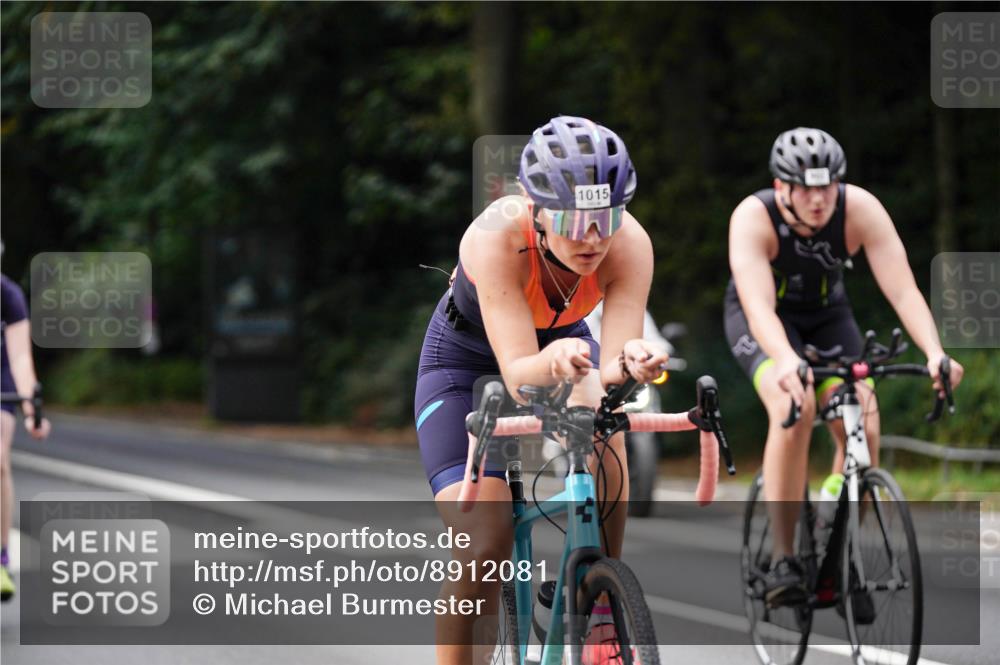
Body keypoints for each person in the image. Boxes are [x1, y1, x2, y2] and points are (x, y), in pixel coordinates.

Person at [414, 116, 667, 665]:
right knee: (485, 547)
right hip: (467, 363)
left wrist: (634, 361)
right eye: (577, 220)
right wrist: (553, 362)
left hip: (563, 351)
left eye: (607, 216)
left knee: (606, 427)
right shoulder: (497, 236)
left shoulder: (630, 245)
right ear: (538, 208)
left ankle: (601, 603)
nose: (594, 237)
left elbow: (614, 365)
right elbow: (518, 373)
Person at [724, 127, 964, 607]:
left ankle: (833, 524)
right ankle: (785, 557)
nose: (818, 200)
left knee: (864, 419)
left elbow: (902, 290)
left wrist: (935, 351)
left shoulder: (861, 209)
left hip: (830, 320)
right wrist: (789, 362)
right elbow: (759, 309)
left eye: (827, 187)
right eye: (806, 188)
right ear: (781, 187)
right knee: (795, 406)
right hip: (766, 322)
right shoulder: (754, 217)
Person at [1, 261, 52, 601]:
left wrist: (32, 410)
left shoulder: (7, 294)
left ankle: (0, 555)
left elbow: (20, 360)